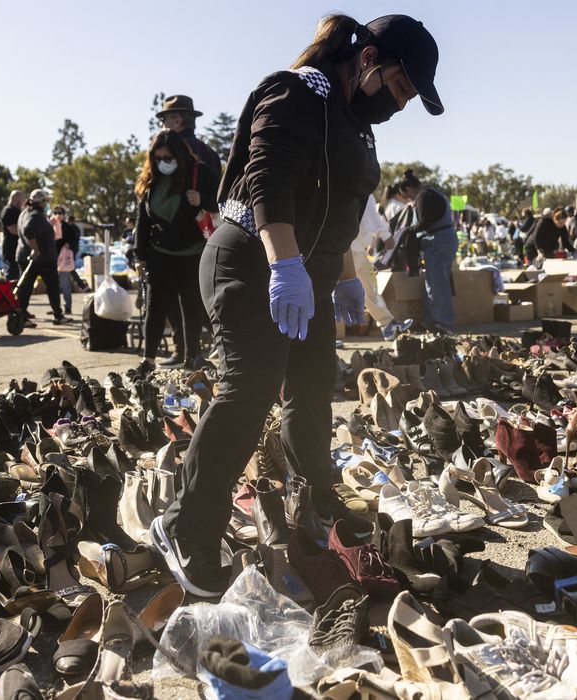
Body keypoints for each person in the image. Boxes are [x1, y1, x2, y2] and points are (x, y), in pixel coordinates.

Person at [151, 13, 443, 598]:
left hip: (304, 267)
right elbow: (270, 180)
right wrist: (285, 264)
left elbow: (339, 216)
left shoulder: (357, 125)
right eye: (401, 88)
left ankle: (316, 500)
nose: (401, 104)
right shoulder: (296, 90)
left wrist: (345, 277)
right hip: (250, 257)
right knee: (249, 388)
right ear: (369, 61)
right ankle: (184, 526)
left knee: (312, 386)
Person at [132, 130, 217, 369]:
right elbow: (143, 221)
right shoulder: (151, 180)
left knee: (193, 305)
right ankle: (148, 359)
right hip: (159, 252)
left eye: (167, 158)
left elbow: (222, 202)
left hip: (193, 252)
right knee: (156, 305)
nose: (162, 163)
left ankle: (193, 356)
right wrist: (139, 256)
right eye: (157, 158)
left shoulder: (201, 173)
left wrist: (201, 199)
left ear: (179, 154)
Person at [397, 169, 458, 331]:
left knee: (437, 285)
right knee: (431, 282)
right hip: (441, 241)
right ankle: (429, 321)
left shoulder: (424, 196)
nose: (408, 199)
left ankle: (444, 323)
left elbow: (425, 221)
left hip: (438, 242)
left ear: (409, 189)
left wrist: (409, 230)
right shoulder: (431, 193)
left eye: (407, 195)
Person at [352, 193, 411, 340]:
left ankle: (387, 324)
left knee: (369, 289)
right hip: (353, 250)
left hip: (355, 249)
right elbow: (372, 219)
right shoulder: (364, 192)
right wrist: (387, 237)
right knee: (365, 290)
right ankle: (327, 335)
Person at [14, 189, 69, 326]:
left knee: (25, 287)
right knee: (52, 287)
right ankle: (57, 315)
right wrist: (35, 249)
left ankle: (21, 316)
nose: (47, 204)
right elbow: (28, 230)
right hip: (41, 259)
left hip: (25, 256)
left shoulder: (24, 213)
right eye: (46, 201)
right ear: (41, 202)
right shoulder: (35, 215)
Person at [158, 95, 223, 177]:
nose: (161, 124)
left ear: (177, 121)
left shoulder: (170, 150)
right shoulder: (211, 154)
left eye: (163, 120)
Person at [52, 205, 80, 315]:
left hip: (64, 261)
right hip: (51, 260)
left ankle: (68, 307)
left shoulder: (69, 228)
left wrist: (69, 245)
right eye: (56, 213)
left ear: (64, 215)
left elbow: (75, 241)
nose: (58, 215)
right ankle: (56, 308)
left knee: (65, 284)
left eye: (60, 213)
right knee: (53, 286)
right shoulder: (49, 226)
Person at [0, 190, 25, 279]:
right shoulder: (8, 211)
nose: (23, 202)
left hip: (18, 252)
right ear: (15, 198)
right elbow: (13, 229)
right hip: (10, 252)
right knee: (12, 278)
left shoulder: (18, 211)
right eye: (22, 199)